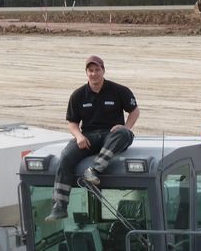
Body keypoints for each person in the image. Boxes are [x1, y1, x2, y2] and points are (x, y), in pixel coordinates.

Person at [45, 55, 140, 221]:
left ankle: (93, 171)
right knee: (66, 156)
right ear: (86, 72)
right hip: (88, 137)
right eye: (90, 70)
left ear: (103, 70)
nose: (94, 73)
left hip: (112, 136)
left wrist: (126, 127)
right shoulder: (78, 95)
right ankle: (59, 206)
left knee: (124, 134)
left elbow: (135, 111)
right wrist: (79, 136)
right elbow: (72, 123)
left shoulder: (119, 90)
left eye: (97, 70)